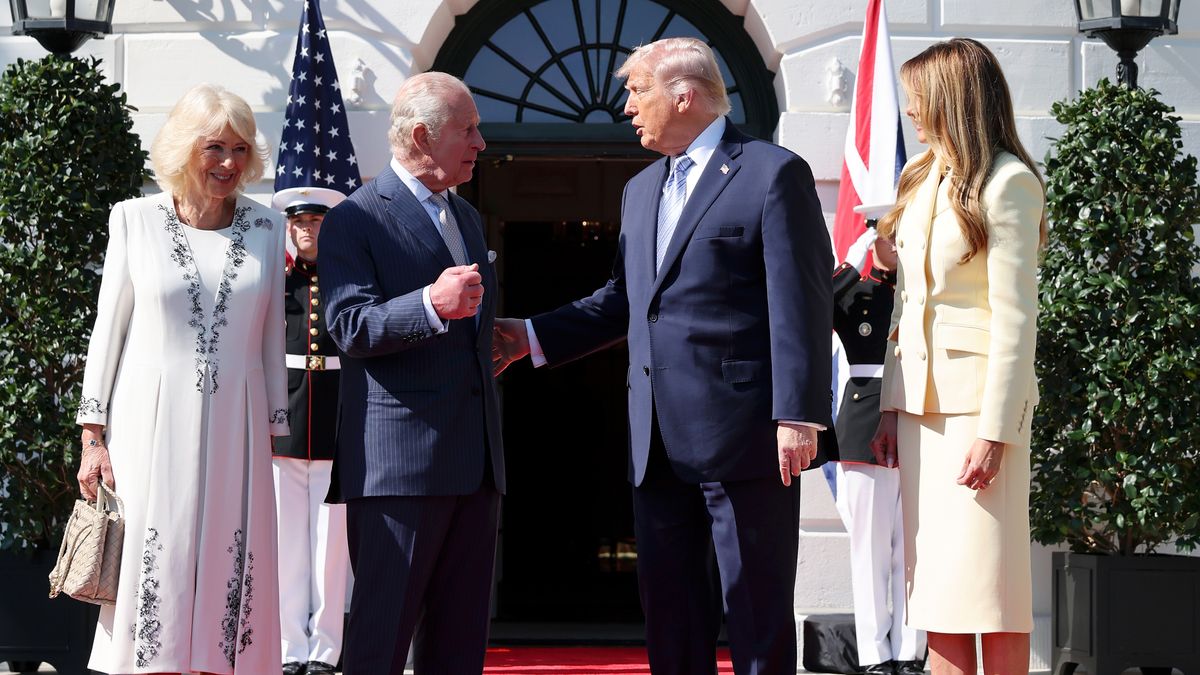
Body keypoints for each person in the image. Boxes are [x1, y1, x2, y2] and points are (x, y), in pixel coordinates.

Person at [493, 37, 832, 675]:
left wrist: (799, 414)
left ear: (684, 95)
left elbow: (801, 302)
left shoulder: (771, 171)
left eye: (636, 90)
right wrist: (529, 336)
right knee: (671, 614)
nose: (627, 108)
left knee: (756, 611)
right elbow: (626, 301)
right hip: (655, 438)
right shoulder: (642, 188)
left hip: (746, 432)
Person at [75, 83, 289, 675]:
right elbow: (107, 332)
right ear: (182, 149)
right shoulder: (133, 220)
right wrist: (93, 436)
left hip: (238, 427)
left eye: (241, 149)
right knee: (155, 564)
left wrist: (273, 424)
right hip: (146, 422)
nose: (228, 163)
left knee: (229, 567)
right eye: (214, 147)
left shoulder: (269, 231)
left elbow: (270, 336)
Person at [869, 38, 1046, 675]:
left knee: (991, 600)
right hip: (921, 416)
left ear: (951, 97)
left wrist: (996, 433)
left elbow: (1016, 323)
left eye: (917, 96)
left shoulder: (1008, 184)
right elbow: (906, 307)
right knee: (939, 598)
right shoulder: (920, 180)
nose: (909, 109)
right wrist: (891, 407)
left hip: (977, 419)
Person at [317, 71, 503, 675]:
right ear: (422, 135)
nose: (480, 142)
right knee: (380, 637)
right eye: (468, 129)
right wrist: (429, 304)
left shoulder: (466, 219)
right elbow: (347, 326)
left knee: (458, 644)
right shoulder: (355, 219)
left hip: (474, 466)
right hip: (399, 471)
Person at [831, 227, 926, 675]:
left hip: (916, 421)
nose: (894, 244)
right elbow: (816, 306)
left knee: (913, 548)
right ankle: (874, 653)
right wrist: (853, 260)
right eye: (886, 237)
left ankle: (911, 651)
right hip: (865, 420)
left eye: (900, 236)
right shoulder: (856, 294)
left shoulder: (923, 295)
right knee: (869, 546)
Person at [270, 186, 350, 675]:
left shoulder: (347, 281)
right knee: (286, 543)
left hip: (336, 420)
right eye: (299, 224)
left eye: (315, 224)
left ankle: (324, 650)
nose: (306, 231)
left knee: (330, 545)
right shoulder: (275, 282)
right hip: (286, 423)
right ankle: (287, 648)